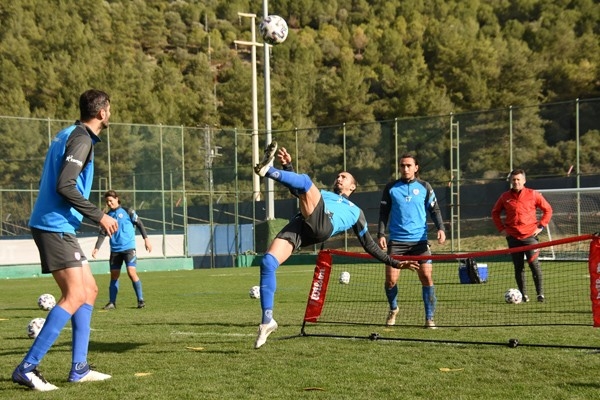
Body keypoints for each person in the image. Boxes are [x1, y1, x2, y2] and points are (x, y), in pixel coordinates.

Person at [252, 141, 420, 349]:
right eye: (338, 176)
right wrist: (288, 167)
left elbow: (369, 245)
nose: (339, 178)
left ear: (353, 186)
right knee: (268, 262)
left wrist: (394, 263)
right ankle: (268, 320)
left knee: (305, 181)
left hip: (322, 226)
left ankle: (267, 170)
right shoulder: (325, 194)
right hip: (300, 225)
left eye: (344, 177)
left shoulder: (356, 211)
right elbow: (299, 192)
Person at [11, 89, 118, 391]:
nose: (109, 114)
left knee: (90, 291)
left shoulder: (68, 132)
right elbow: (64, 185)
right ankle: (27, 368)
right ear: (102, 113)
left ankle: (79, 368)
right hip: (53, 226)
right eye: (109, 110)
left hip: (57, 225)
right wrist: (100, 215)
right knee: (74, 296)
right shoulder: (82, 139)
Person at [377, 154, 446, 329]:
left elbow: (435, 209)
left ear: (416, 168)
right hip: (397, 242)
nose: (405, 168)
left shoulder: (425, 187)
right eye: (402, 165)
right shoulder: (391, 188)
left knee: (427, 277)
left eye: (409, 165)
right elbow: (383, 213)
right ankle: (393, 309)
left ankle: (429, 318)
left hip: (420, 242)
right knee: (391, 281)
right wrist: (381, 234)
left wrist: (441, 228)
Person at [492, 169, 553, 302]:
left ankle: (540, 294)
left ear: (524, 180)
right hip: (513, 237)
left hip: (530, 237)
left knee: (534, 265)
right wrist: (501, 229)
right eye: (514, 179)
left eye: (518, 179)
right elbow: (495, 213)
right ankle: (523, 295)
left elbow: (548, 210)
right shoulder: (504, 197)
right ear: (510, 181)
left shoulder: (533, 194)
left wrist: (541, 226)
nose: (516, 182)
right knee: (518, 267)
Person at [91, 190, 152, 310]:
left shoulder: (128, 211)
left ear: (117, 199)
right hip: (115, 250)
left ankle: (140, 300)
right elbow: (103, 233)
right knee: (114, 275)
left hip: (129, 248)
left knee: (131, 272)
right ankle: (112, 302)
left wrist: (146, 239)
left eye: (111, 200)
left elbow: (139, 223)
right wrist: (96, 248)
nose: (109, 203)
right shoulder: (107, 216)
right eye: (107, 201)